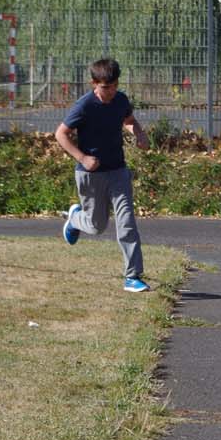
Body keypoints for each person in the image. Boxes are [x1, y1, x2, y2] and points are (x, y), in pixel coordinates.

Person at [55, 57, 150, 292]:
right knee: (97, 226)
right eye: (105, 88)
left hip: (118, 170)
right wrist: (83, 158)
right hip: (91, 175)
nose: (110, 92)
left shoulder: (121, 100)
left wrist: (138, 133)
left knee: (127, 220)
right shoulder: (84, 106)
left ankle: (132, 276)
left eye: (114, 86)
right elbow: (61, 134)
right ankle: (76, 218)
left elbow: (128, 119)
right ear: (94, 84)